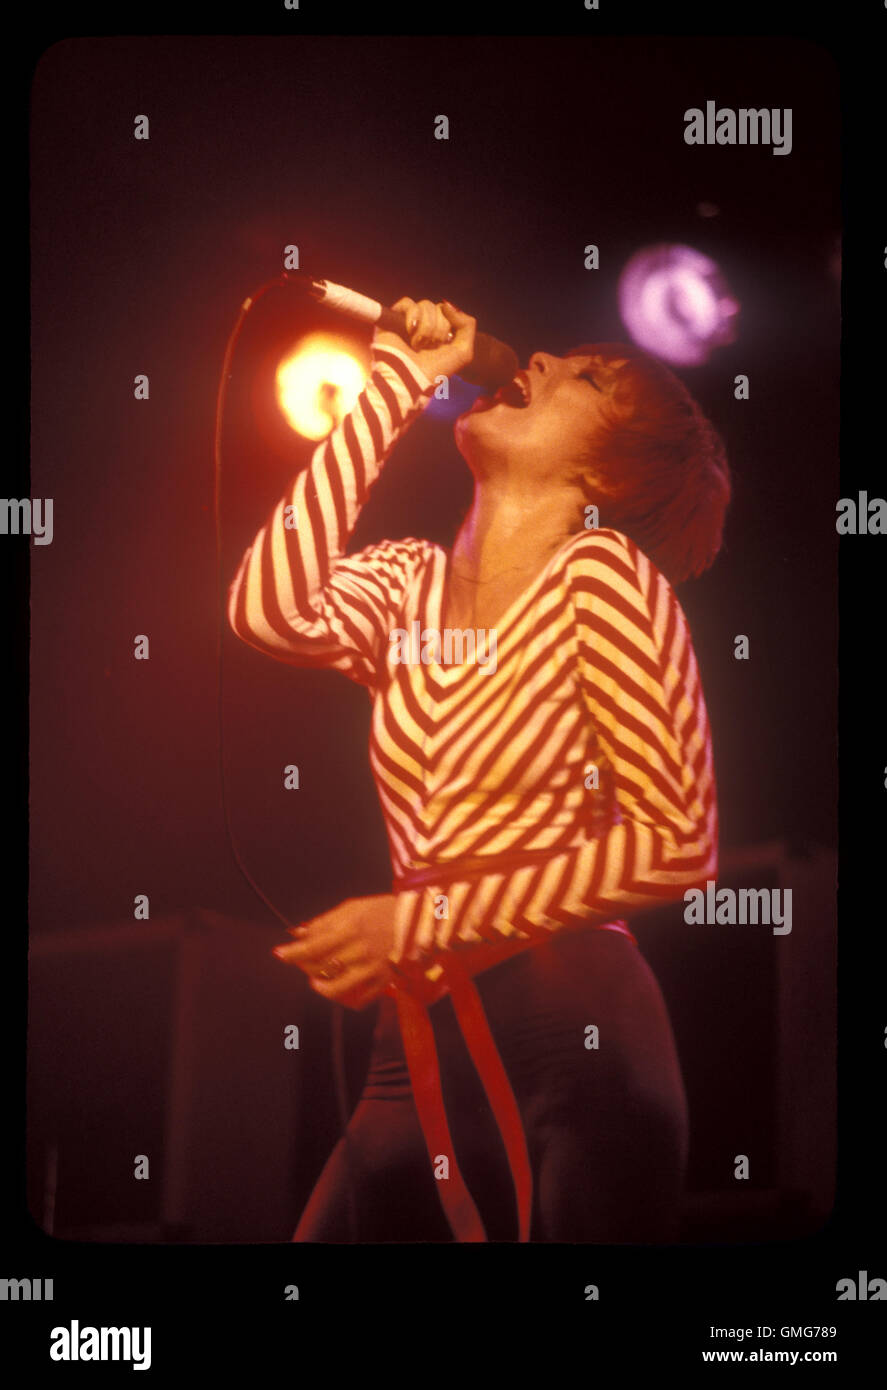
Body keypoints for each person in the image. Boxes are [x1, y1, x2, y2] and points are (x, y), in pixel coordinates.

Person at [228, 295, 730, 1243]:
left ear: (600, 472)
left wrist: (425, 919)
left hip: (568, 1029)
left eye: (584, 376)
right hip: (414, 1040)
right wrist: (391, 384)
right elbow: (271, 610)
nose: (535, 354)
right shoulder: (406, 582)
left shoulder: (602, 576)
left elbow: (677, 842)